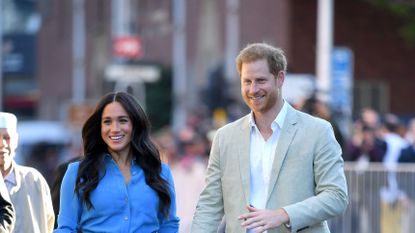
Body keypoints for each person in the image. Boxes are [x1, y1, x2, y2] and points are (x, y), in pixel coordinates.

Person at [191, 43, 348, 233]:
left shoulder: (318, 131)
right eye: (247, 81)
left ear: (280, 78)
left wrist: (283, 214)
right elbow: (210, 205)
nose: (253, 89)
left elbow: (336, 196)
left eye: (260, 80)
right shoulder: (225, 137)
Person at [54, 91, 179, 232]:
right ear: (100, 127)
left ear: (135, 125)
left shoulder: (161, 172)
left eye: (122, 120)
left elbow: (169, 225)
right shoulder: (76, 172)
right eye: (107, 122)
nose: (115, 129)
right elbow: (66, 228)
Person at [0, 112, 55, 233]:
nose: (2, 144)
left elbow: (49, 223)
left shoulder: (34, 180)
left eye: (6, 138)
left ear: (16, 140)